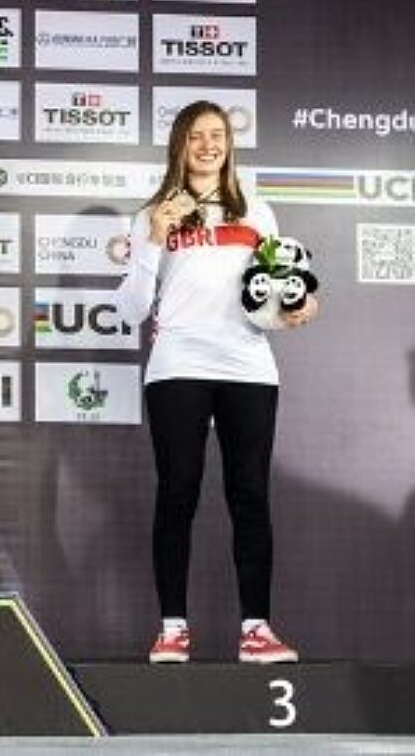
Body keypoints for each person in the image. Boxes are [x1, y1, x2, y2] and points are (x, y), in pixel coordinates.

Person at [113, 100, 318, 664]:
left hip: (248, 365)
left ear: (229, 144)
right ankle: (172, 628)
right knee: (178, 491)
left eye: (218, 135)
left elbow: (276, 291)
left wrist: (299, 305)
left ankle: (257, 629)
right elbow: (130, 309)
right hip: (178, 362)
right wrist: (155, 238)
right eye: (197, 136)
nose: (208, 145)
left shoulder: (256, 210)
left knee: (249, 493)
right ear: (179, 144)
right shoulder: (152, 213)